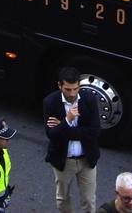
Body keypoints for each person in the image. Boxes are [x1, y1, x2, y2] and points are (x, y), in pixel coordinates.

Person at [43, 66, 102, 213]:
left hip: (86, 159)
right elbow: (51, 135)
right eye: (68, 89)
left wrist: (63, 127)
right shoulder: (50, 102)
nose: (72, 93)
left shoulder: (88, 99)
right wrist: (68, 120)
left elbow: (94, 132)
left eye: (75, 89)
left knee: (89, 200)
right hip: (64, 160)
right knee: (63, 199)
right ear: (60, 85)